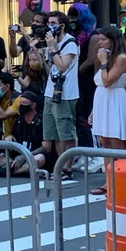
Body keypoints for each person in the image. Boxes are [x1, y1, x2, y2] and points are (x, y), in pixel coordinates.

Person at [89, 27, 126, 195]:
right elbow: (100, 84)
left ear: (113, 41)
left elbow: (107, 81)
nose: (99, 42)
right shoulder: (105, 59)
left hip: (115, 99)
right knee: (105, 142)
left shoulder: (121, 58)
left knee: (117, 143)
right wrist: (94, 110)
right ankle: (109, 182)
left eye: (103, 39)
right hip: (102, 100)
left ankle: (123, 181)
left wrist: (103, 63)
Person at [43, 11, 79, 181]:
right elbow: (51, 69)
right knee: (55, 133)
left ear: (61, 26)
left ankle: (68, 167)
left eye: (52, 23)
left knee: (66, 132)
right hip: (51, 92)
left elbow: (63, 66)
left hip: (66, 94)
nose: (49, 26)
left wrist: (52, 48)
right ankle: (60, 165)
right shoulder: (52, 43)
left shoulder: (69, 43)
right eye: (48, 22)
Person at [0, 92, 54, 177]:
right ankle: (16, 170)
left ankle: (8, 172)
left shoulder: (41, 120)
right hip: (18, 156)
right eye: (20, 103)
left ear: (33, 105)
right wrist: (10, 137)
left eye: (24, 103)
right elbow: (13, 134)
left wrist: (25, 156)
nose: (21, 106)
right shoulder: (20, 119)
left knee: (39, 158)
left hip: (33, 155)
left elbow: (46, 148)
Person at [67, 3, 99, 154]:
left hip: (86, 81)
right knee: (76, 117)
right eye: (70, 17)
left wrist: (75, 72)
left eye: (75, 17)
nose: (72, 20)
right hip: (74, 81)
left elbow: (91, 60)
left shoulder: (93, 36)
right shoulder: (72, 34)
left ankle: (90, 151)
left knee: (84, 118)